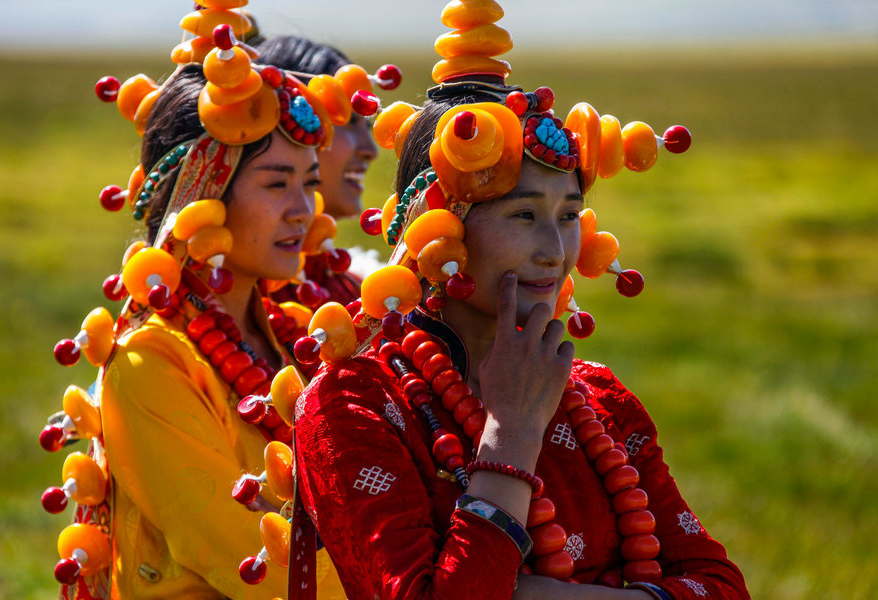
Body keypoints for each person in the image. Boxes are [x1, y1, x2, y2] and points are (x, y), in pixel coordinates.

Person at [290, 2, 749, 599]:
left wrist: (531, 593)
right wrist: (512, 432)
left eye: (568, 216)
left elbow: (721, 585)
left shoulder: (601, 402)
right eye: (525, 214)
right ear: (440, 230)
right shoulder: (355, 405)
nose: (555, 249)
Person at [38, 4, 390, 598]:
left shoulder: (293, 333)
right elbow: (257, 564)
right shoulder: (148, 363)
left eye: (308, 183)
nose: (303, 211)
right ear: (204, 192)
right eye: (277, 183)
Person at [255, 35, 382, 308]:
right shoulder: (235, 298)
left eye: (368, 127)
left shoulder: (361, 290)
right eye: (348, 121)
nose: (370, 150)